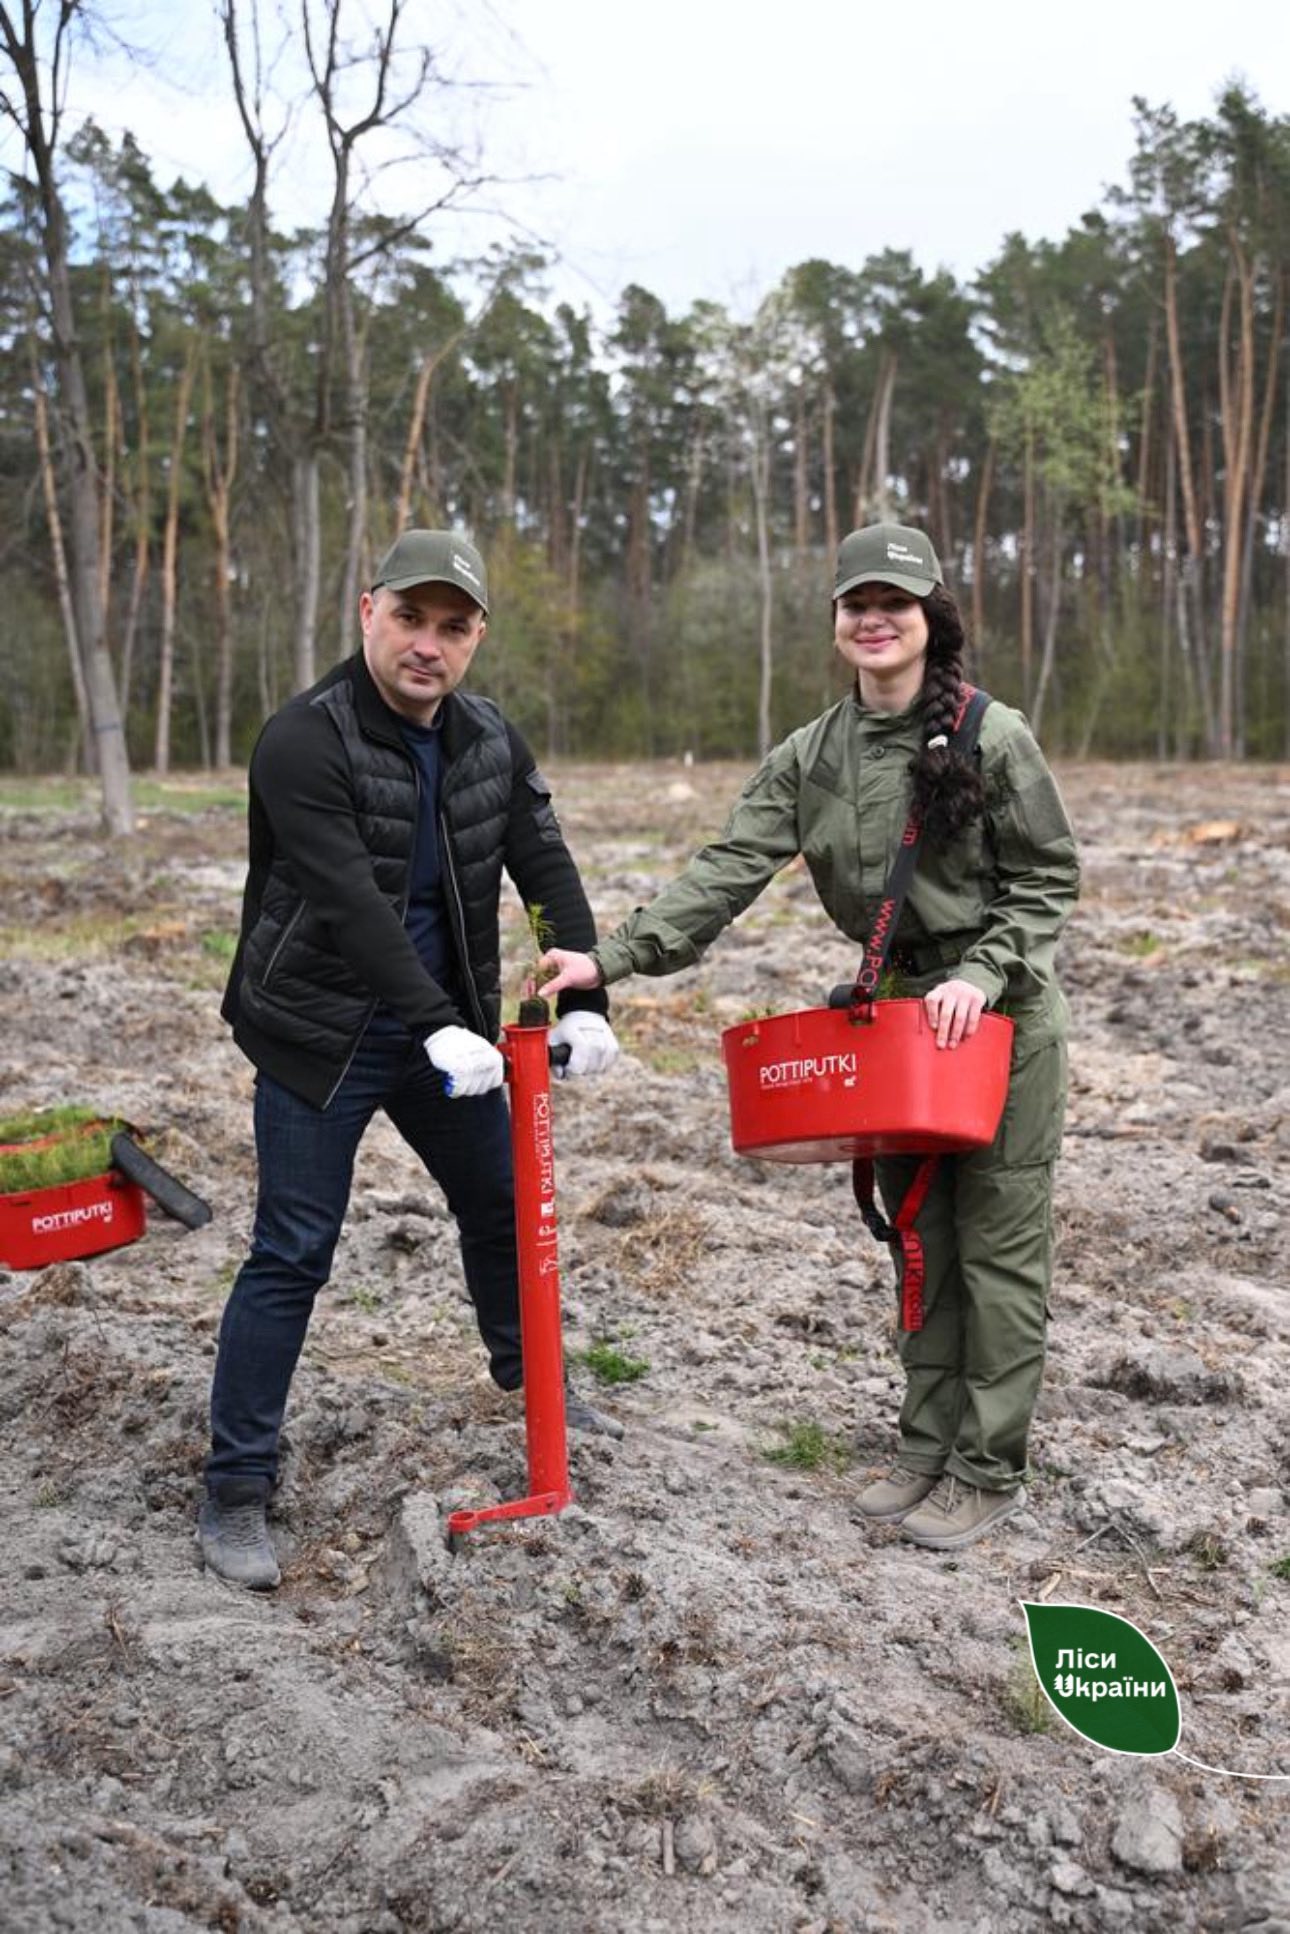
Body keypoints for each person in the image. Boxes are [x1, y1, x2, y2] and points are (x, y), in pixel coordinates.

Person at [541, 522, 1079, 1553]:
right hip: (898, 1026)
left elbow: (1048, 877)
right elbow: (726, 869)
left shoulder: (992, 733)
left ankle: (985, 1468)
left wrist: (981, 971)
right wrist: (607, 961)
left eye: (894, 603)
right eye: (856, 604)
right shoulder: (813, 753)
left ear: (930, 618)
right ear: (836, 620)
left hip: (997, 1020)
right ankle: (924, 1446)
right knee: (921, 1241)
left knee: (999, 1254)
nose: (874, 620)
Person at [199, 529, 621, 1589]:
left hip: (448, 1038)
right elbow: (347, 899)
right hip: (320, 1031)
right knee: (293, 1246)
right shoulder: (303, 739)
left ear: (477, 637)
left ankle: (535, 1392)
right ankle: (235, 1486)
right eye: (410, 618)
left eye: (453, 626)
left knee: (501, 1206)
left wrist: (587, 995)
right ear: (368, 613)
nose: (428, 644)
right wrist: (434, 1020)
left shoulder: (489, 738)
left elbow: (545, 868)